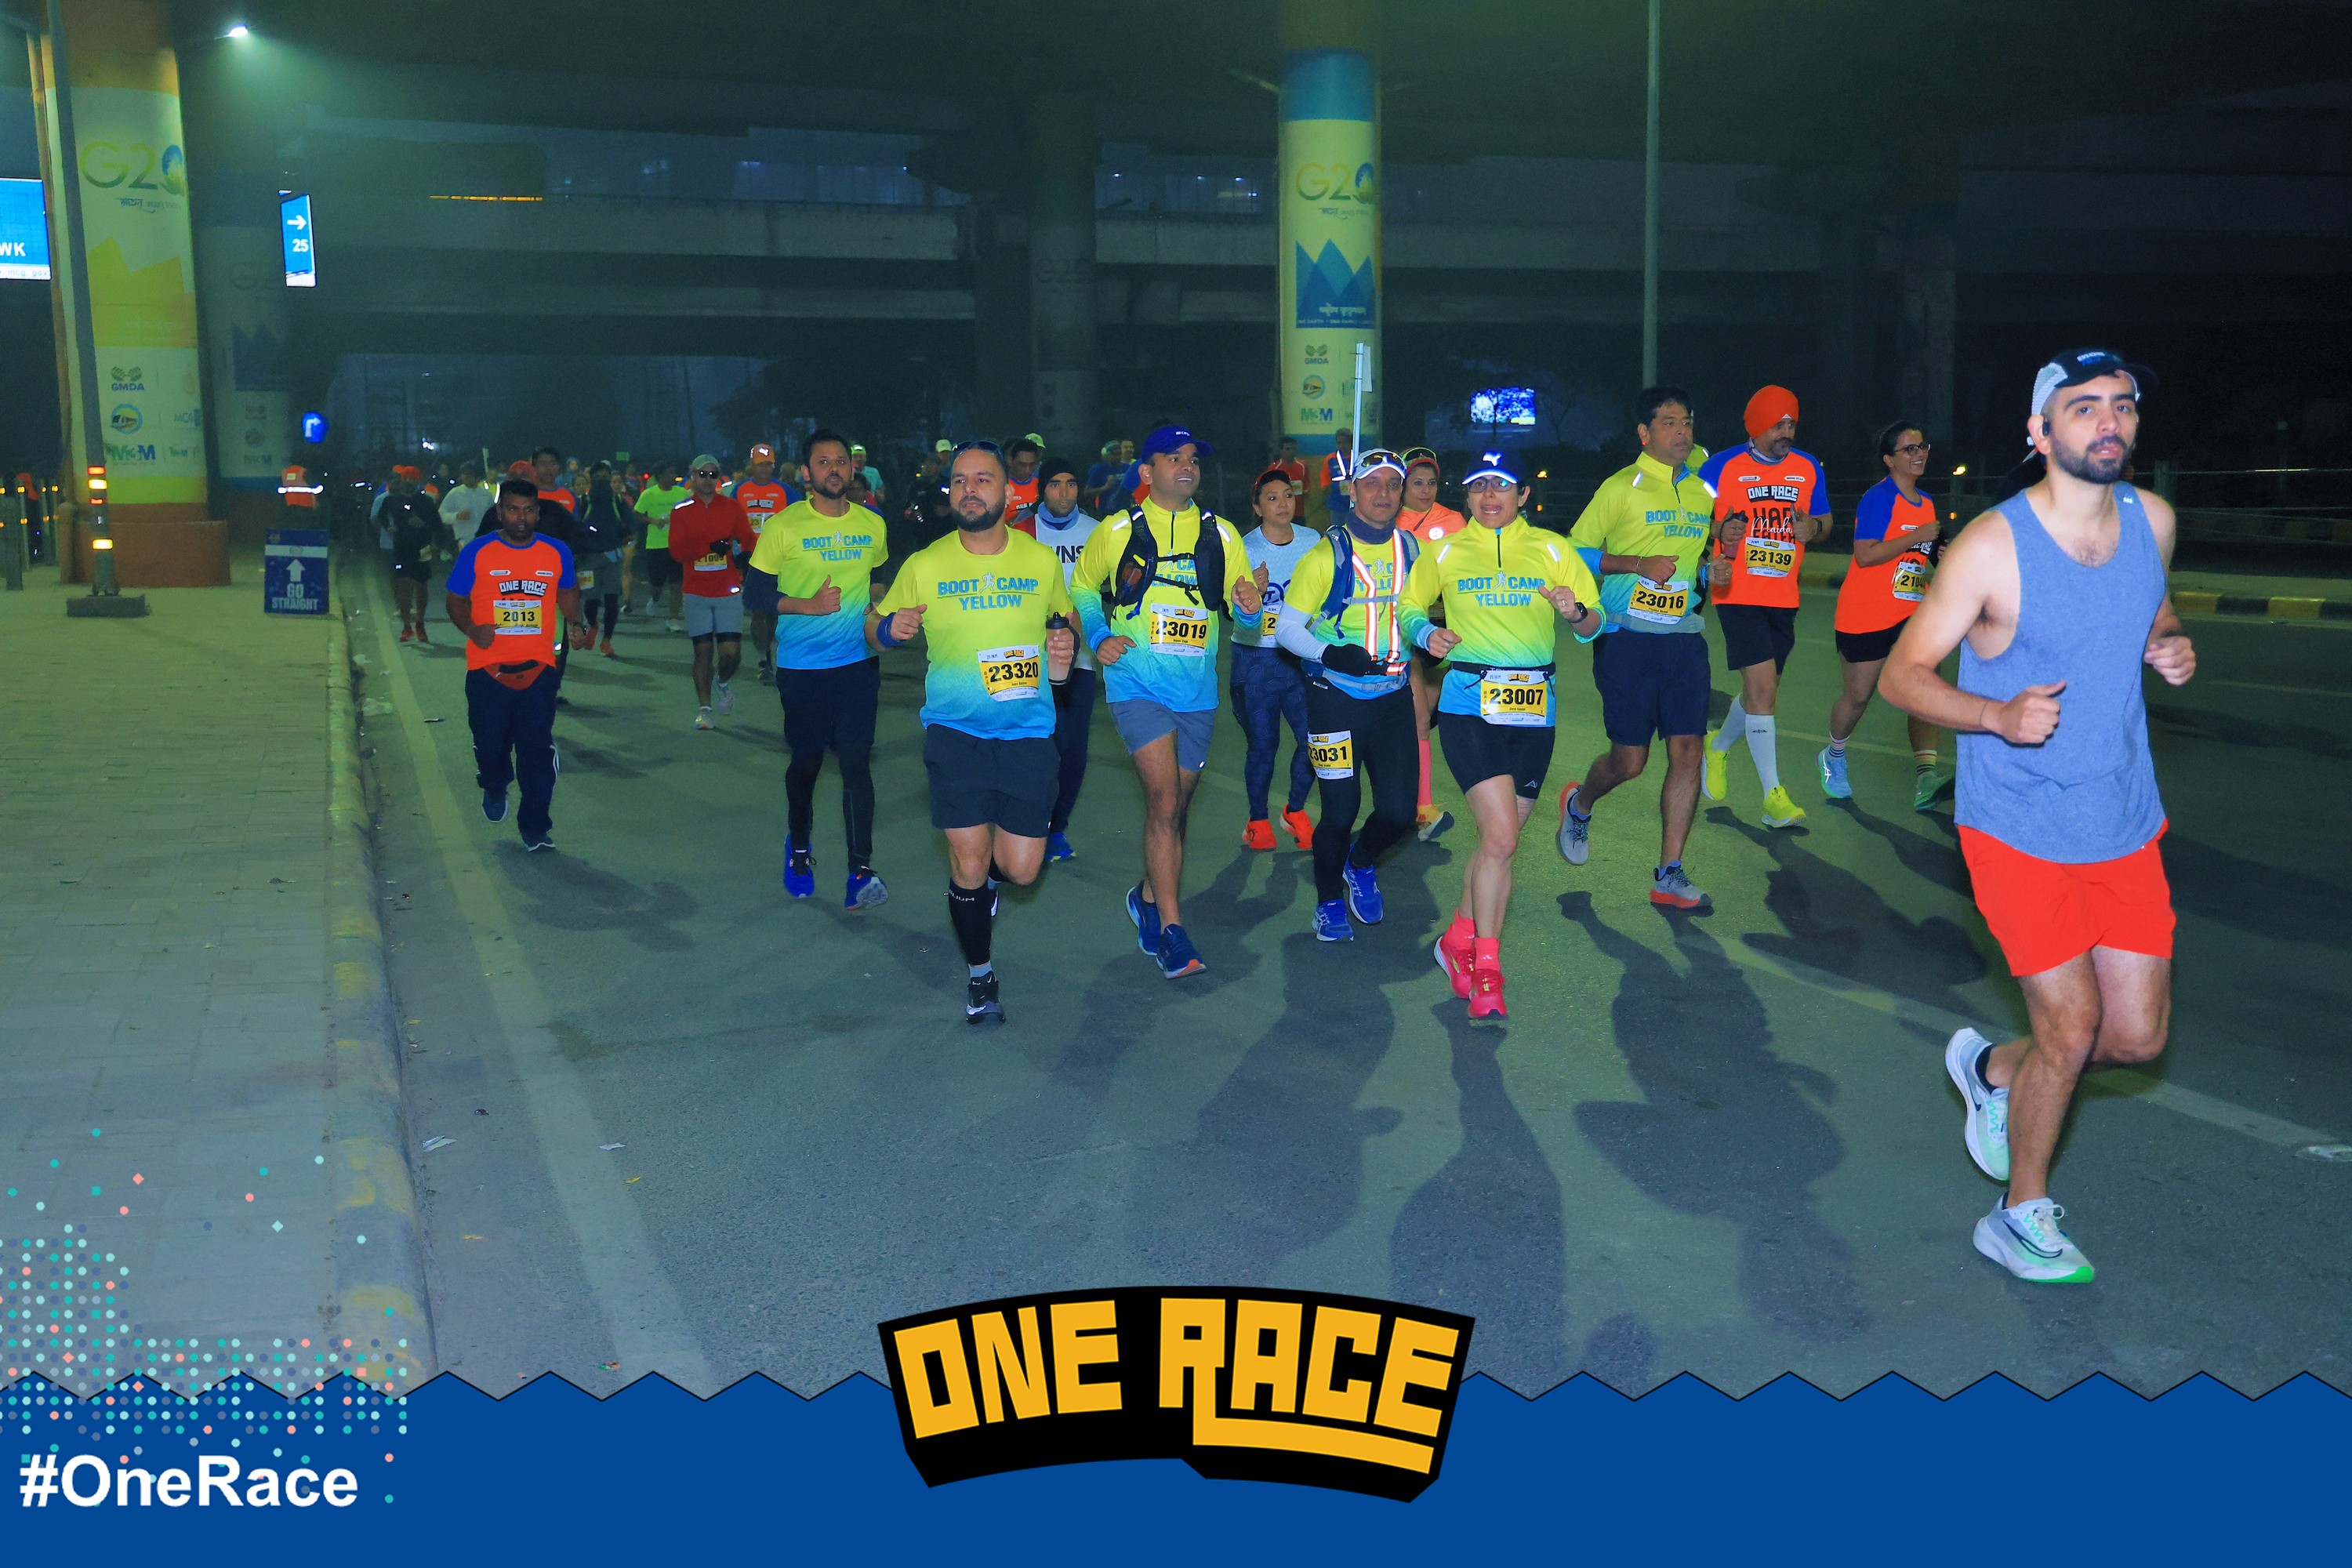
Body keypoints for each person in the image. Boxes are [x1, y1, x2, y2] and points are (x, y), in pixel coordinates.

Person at [1878, 348, 2191, 1285]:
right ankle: (2019, 1213)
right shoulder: (1991, 546)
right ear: (2039, 431)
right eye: (2084, 407)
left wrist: (2171, 642)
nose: (2109, 421)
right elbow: (1903, 674)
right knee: (2073, 1025)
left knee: (2135, 1038)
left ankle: (1994, 1073)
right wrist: (1995, 716)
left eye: (2122, 405)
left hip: (2123, 816)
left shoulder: (2154, 520)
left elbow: (2153, 609)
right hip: (2015, 825)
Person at [871, 442, 1077, 1023]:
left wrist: (1064, 647)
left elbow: (1062, 621)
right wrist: (888, 628)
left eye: (982, 479)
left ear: (1008, 492)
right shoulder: (926, 564)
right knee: (967, 860)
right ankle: (980, 976)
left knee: (1022, 870)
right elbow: (875, 626)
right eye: (959, 481)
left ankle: (984, 883)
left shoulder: (1039, 561)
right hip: (955, 731)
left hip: (1027, 732)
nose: (969, 490)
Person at [1403, 448, 1603, 1018]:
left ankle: (1456, 938)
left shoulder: (1553, 549)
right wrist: (1426, 634)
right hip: (1470, 704)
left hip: (1535, 710)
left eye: (1501, 485)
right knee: (1502, 839)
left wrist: (1575, 613)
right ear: (1467, 496)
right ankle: (1487, 971)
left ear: (1522, 495)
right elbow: (1408, 606)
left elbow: (1594, 624)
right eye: (1478, 486)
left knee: (1498, 844)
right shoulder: (1445, 550)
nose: (1489, 495)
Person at [1070, 423, 1262, 978]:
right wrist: (1098, 635)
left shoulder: (1222, 533)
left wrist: (1249, 606)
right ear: (1147, 471)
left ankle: (1149, 895)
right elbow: (1082, 587)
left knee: (1177, 809)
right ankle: (1174, 932)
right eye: (1173, 457)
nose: (1187, 466)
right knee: (1163, 800)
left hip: (1196, 690)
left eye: (1193, 459)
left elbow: (1244, 613)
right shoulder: (1117, 530)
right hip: (1137, 682)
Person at [1557, 386, 1718, 911]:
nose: (1682, 431)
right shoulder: (1620, 487)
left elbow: (1704, 551)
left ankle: (1669, 873)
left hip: (1685, 639)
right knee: (1630, 762)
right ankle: (1580, 803)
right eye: (1669, 422)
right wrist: (1636, 565)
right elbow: (1575, 551)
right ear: (1645, 433)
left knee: (1688, 751)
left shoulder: (1702, 488)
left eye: (1686, 421)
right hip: (1627, 638)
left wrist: (1713, 570)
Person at [1272, 448, 1419, 942]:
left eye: (1393, 485)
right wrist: (1331, 654)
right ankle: (1329, 902)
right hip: (1333, 698)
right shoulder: (1327, 554)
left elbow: (1424, 610)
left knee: (1400, 813)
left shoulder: (1412, 550)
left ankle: (1360, 862)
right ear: (1352, 490)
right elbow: (1286, 629)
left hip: (1393, 697)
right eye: (1372, 483)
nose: (1384, 494)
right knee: (1339, 810)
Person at [746, 430, 892, 909]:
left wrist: (882, 606)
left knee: (855, 762)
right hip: (802, 667)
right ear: (807, 473)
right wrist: (806, 605)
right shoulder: (784, 526)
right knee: (807, 762)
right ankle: (799, 848)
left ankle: (860, 871)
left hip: (858, 665)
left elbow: (876, 580)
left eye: (841, 461)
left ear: (853, 469)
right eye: (823, 462)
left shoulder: (873, 524)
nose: (835, 469)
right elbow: (755, 594)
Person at [1697, 387, 1833, 829]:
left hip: (1784, 595)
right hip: (1737, 591)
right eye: (1777, 425)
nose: (1786, 432)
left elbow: (1825, 520)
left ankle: (1717, 745)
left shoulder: (1808, 467)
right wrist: (1719, 530)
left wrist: (1813, 529)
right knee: (1763, 692)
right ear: (1756, 426)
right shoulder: (1720, 467)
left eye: (1791, 424)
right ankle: (1773, 796)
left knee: (1763, 692)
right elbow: (1690, 516)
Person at [445, 477, 581, 852]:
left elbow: (568, 590)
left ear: (538, 513)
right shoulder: (477, 552)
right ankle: (494, 784)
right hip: (487, 671)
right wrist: (473, 629)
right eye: (513, 510)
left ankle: (535, 828)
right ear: (500, 512)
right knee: (490, 746)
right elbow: (455, 600)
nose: (521, 518)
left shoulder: (557, 552)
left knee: (535, 753)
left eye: (529, 510)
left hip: (539, 670)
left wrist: (577, 623)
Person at [1823, 420, 1951, 809]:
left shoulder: (1926, 503)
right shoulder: (1878, 499)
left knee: (1925, 685)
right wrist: (1917, 536)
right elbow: (1865, 554)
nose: (1919, 454)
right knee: (1858, 696)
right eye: (1909, 449)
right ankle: (1834, 756)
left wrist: (1940, 554)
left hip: (1911, 610)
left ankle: (1926, 777)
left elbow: (1922, 556)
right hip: (1867, 613)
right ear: (1889, 460)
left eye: (1922, 447)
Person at [1231, 466, 1319, 854]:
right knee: (1263, 745)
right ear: (1257, 507)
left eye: (1287, 495)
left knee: (1314, 742)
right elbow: (1229, 610)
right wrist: (1252, 593)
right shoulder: (1244, 550)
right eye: (1272, 498)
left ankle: (1295, 810)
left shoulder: (1313, 541)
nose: (1282, 504)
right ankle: (1257, 820)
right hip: (1256, 660)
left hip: (1300, 659)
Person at [1031, 456, 1105, 862]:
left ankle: (1056, 829)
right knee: (1039, 745)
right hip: (1031, 660)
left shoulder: (1097, 533)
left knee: (1073, 749)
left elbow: (1113, 589)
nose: (1064, 492)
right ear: (1042, 489)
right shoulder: (1022, 532)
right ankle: (1029, 826)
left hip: (1080, 661)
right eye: (1055, 484)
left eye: (1071, 484)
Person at [1398, 446, 1468, 842]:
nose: (1425, 490)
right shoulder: (1386, 520)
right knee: (1419, 718)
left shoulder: (1454, 521)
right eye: (1416, 483)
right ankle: (1423, 809)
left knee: (1421, 716)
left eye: (1431, 483)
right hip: (1405, 630)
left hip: (1446, 630)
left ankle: (1409, 802)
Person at [664, 455, 760, 730]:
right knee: (703, 651)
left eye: (712, 475)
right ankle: (705, 710)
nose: (707, 480)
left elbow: (749, 540)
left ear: (718, 478)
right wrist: (708, 548)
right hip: (696, 591)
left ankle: (723, 682)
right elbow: (676, 551)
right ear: (692, 476)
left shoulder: (731, 507)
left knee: (731, 654)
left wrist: (742, 554)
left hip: (727, 589)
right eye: (702, 474)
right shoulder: (681, 510)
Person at [731, 442, 800, 684]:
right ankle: (763, 660)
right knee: (757, 610)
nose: (764, 469)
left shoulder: (785, 491)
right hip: (751, 558)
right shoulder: (740, 491)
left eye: (769, 465)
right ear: (752, 465)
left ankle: (771, 652)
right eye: (760, 465)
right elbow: (730, 521)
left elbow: (800, 520)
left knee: (774, 611)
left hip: (780, 558)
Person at [383, 466, 455, 645]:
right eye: (406, 478)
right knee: (403, 585)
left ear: (418, 481)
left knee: (421, 585)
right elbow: (381, 516)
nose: (409, 482)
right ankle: (407, 626)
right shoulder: (392, 500)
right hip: (401, 547)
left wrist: (424, 526)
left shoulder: (426, 501)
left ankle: (420, 623)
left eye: (412, 479)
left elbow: (438, 525)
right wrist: (389, 527)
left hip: (423, 547)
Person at [569, 461, 633, 658]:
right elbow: (573, 528)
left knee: (612, 601)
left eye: (605, 476)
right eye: (598, 477)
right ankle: (593, 624)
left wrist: (622, 536)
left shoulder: (618, 502)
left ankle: (606, 641)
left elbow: (631, 525)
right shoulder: (583, 502)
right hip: (588, 560)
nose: (602, 480)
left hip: (612, 558)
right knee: (590, 602)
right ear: (591, 479)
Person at [636, 461, 690, 631]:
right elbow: (637, 514)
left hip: (677, 545)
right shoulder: (649, 494)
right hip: (656, 545)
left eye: (674, 472)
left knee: (677, 584)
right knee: (656, 584)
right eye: (669, 473)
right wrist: (653, 520)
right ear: (660, 476)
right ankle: (655, 599)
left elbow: (690, 512)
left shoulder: (681, 493)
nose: (673, 476)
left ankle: (673, 619)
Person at [437, 459, 493, 545]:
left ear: (478, 478)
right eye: (463, 474)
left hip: (485, 540)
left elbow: (493, 516)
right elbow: (442, 514)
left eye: (469, 475)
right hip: (464, 541)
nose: (465, 477)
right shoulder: (455, 493)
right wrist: (457, 516)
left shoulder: (486, 495)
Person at [1316, 430, 1356, 528]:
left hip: (1355, 503)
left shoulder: (1357, 457)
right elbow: (1324, 478)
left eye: (1345, 443)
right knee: (1337, 530)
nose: (1342, 446)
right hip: (1336, 503)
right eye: (1339, 443)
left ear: (1351, 443)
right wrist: (1326, 488)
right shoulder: (1330, 459)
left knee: (1355, 530)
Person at [1004, 438, 1044, 535]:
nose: (1027, 470)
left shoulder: (1042, 487)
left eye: (1032, 465)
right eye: (1022, 465)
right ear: (1010, 460)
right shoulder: (1000, 487)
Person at [532, 446, 577, 517]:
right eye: (543, 464)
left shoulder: (570, 496)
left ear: (558, 466)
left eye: (552, 464)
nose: (548, 468)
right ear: (534, 467)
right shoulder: (528, 495)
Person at [1269, 435, 1307, 499]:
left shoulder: (1302, 466)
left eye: (1293, 449)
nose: (1291, 452)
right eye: (1287, 449)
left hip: (1298, 503)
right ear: (1281, 451)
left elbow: (1306, 486)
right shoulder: (1274, 468)